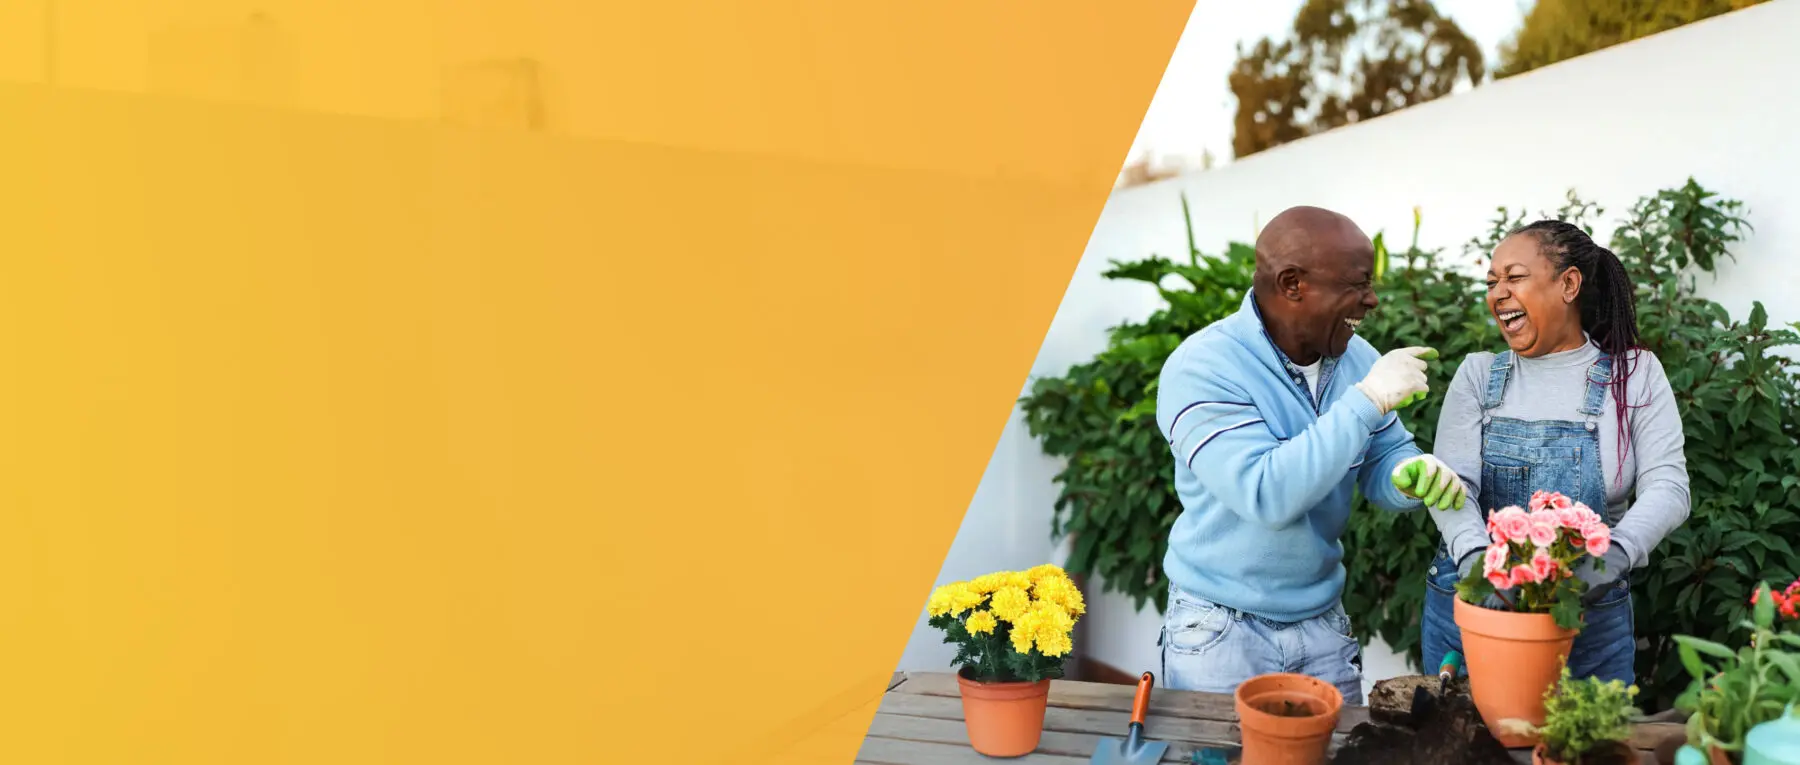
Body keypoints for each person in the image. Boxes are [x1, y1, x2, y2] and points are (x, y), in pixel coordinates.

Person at [1153, 206, 1468, 705]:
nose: (1371, 299)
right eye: (1357, 283)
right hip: (1221, 632)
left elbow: (1383, 455)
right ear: (1293, 284)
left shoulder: (1355, 356)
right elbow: (1266, 495)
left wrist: (1408, 473)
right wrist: (1365, 402)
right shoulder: (1202, 367)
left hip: (1322, 625)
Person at [1418, 220, 1691, 686]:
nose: (1497, 293)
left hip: (1588, 619)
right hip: (1474, 610)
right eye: (1491, 282)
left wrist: (1608, 561)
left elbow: (1669, 487)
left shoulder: (1635, 375)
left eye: (1514, 277)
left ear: (1568, 283)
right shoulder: (1479, 376)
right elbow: (1454, 487)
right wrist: (1478, 568)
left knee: (1584, 753)